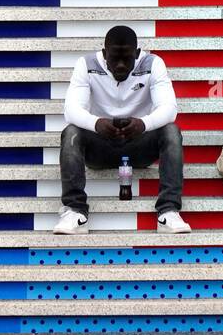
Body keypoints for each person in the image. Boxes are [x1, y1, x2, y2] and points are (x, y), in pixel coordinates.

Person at [54, 25, 190, 234]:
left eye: (126, 58)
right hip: (100, 147)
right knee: (71, 133)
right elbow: (71, 110)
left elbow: (169, 109)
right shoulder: (86, 64)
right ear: (104, 53)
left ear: (136, 54)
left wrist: (143, 124)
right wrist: (97, 124)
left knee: (171, 131)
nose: (119, 65)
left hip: (138, 145)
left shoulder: (153, 63)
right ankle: (74, 211)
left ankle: (168, 211)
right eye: (114, 58)